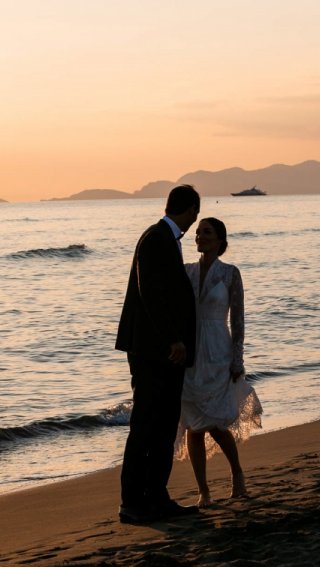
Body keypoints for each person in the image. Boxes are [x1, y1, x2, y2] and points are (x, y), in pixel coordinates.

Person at [115, 184, 201, 524]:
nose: (195, 219)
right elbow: (149, 293)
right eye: (196, 212)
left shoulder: (164, 239)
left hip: (160, 350)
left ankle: (156, 495)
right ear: (191, 209)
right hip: (154, 351)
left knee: (163, 425)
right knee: (147, 425)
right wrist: (173, 340)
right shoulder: (156, 239)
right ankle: (134, 501)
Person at [175, 217, 262, 507]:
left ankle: (237, 474)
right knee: (192, 425)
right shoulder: (186, 271)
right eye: (197, 232)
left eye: (206, 232)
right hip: (190, 352)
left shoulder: (230, 274)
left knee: (214, 423)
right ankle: (204, 491)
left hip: (218, 350)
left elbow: (238, 320)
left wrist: (237, 358)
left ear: (220, 240)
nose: (199, 236)